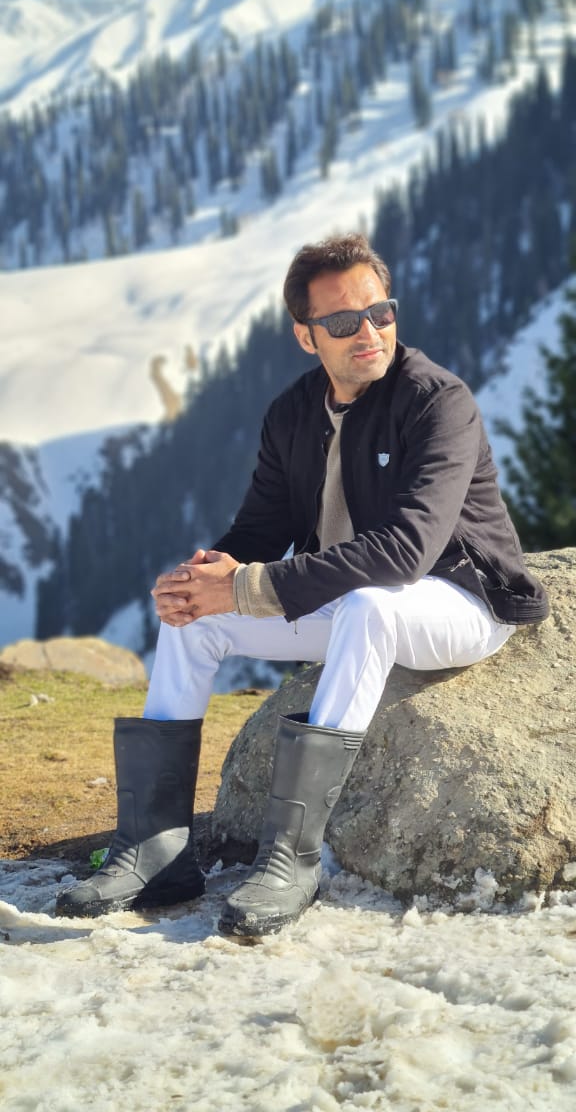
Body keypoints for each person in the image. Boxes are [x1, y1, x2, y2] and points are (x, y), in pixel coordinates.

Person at [56, 234, 549, 932]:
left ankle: (292, 859)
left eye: (380, 312)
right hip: (348, 601)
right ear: (305, 335)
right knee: (197, 620)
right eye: (343, 322)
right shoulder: (292, 413)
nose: (368, 332)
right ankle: (156, 849)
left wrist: (248, 587)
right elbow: (260, 531)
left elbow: (408, 550)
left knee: (371, 606)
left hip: (462, 600)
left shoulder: (438, 402)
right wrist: (204, 579)